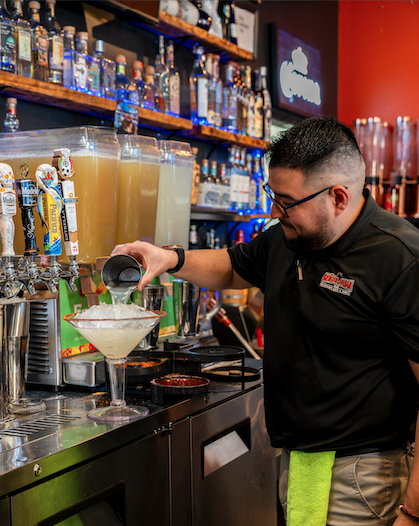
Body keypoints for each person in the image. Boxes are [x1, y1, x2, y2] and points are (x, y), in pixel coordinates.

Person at [111, 116, 419, 525]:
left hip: (361, 473)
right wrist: (170, 259)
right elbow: (233, 266)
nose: (275, 211)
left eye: (286, 202)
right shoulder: (289, 237)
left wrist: (413, 511)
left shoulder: (399, 256)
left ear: (338, 198)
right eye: (272, 195)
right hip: (299, 460)